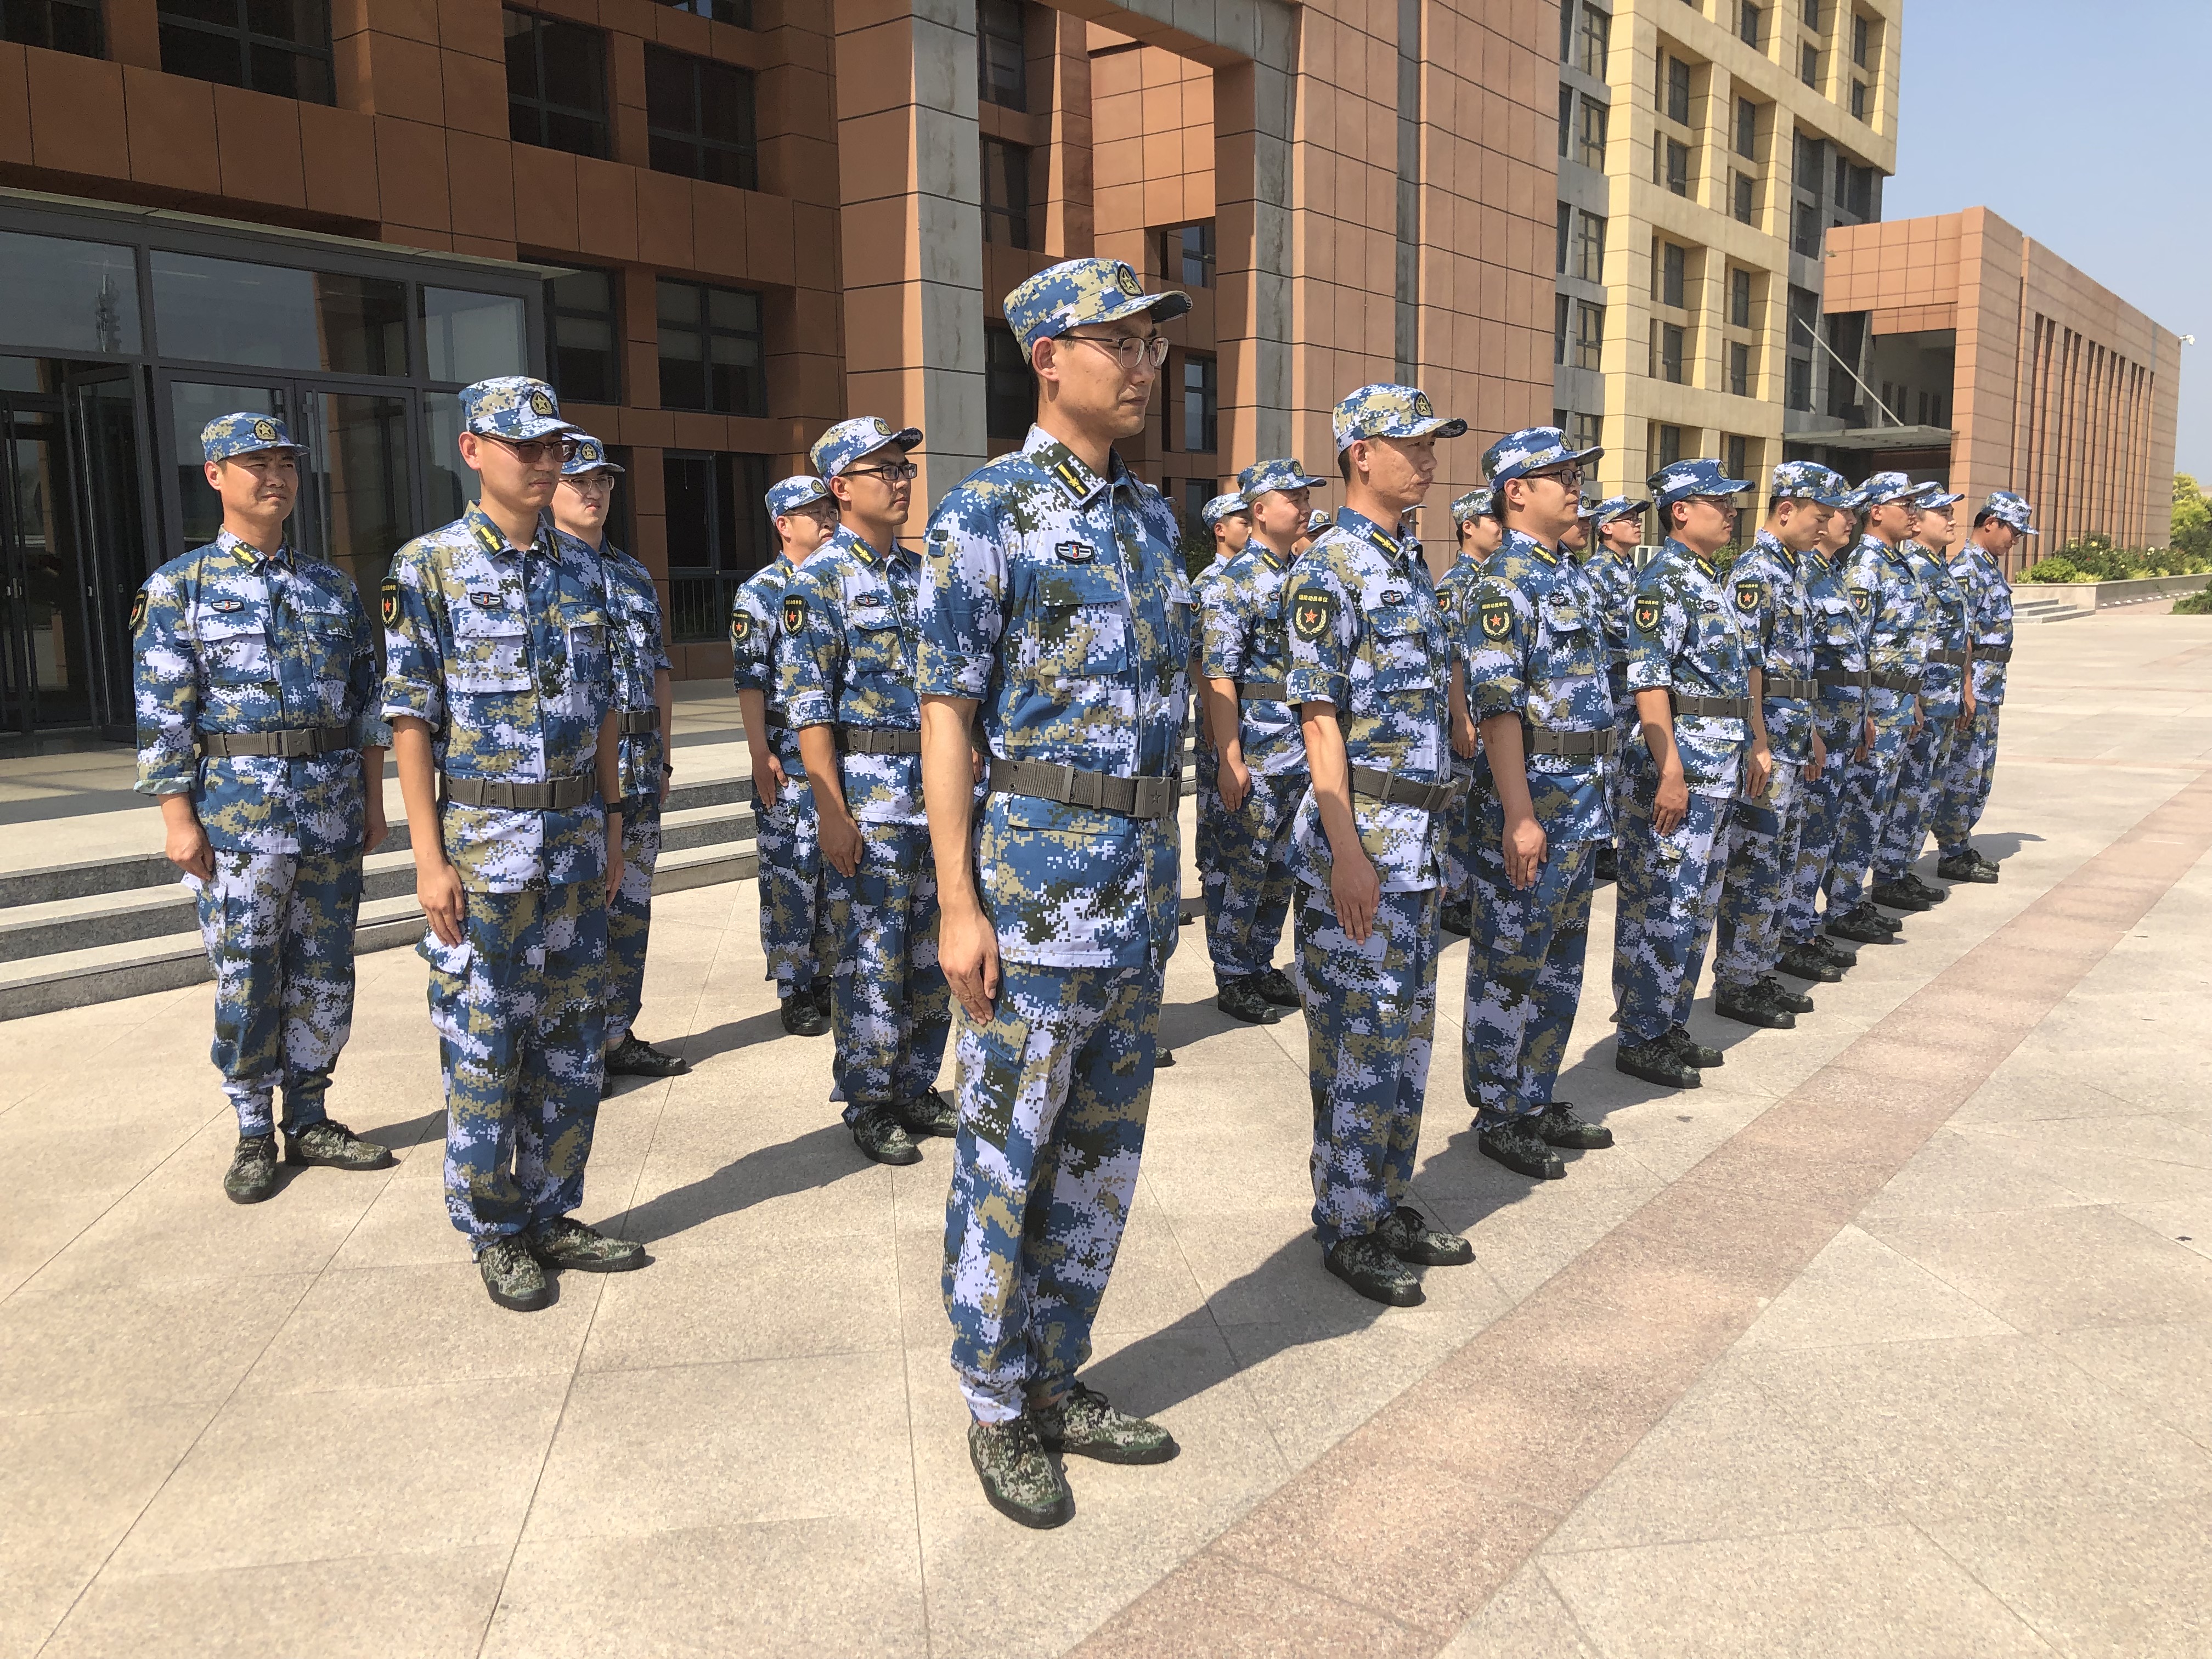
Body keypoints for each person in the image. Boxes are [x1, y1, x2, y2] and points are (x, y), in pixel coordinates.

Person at [918, 257, 1188, 1529]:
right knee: (1006, 1156)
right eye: (1119, 342)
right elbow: (947, 715)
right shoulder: (988, 514)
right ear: (1047, 358)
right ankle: (990, 1397)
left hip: (1134, 900)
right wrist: (957, 904)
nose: (1144, 364)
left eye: (1151, 344)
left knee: (1098, 1160)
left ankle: (1054, 1372)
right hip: (1031, 901)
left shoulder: (1151, 520)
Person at [382, 376, 645, 1312]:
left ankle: (552, 1205)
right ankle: (495, 1225)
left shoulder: (587, 571)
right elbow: (411, 719)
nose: (545, 461)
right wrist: (427, 856)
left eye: (553, 446)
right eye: (524, 445)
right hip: (486, 848)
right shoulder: (430, 568)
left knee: (572, 1040)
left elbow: (609, 709)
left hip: (577, 839)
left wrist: (615, 825)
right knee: (488, 1041)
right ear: (472, 451)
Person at [133, 413, 393, 1204]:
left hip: (330, 810)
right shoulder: (180, 587)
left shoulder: (331, 586)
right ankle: (252, 1128)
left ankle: (309, 1115)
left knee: (324, 969)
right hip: (239, 821)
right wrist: (178, 817)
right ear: (215, 475)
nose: (274, 477)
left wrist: (373, 801)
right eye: (255, 464)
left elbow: (367, 702)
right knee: (248, 975)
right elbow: (163, 713)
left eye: (284, 463)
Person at [1280, 383, 1475, 1307]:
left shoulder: (1407, 559)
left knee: (1403, 1039)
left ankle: (1386, 1194)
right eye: (1412, 443)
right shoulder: (1332, 566)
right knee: (1357, 1041)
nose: (1429, 457)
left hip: (1417, 842)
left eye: (1433, 443)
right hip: (1361, 840)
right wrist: (1344, 847)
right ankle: (1346, 1220)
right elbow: (1319, 719)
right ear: (1361, 452)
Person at [783, 416, 956, 1166]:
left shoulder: (924, 577)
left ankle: (916, 1084)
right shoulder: (818, 583)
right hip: (869, 796)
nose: (901, 480)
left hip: (937, 794)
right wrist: (832, 811)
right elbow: (809, 706)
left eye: (905, 468)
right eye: (883, 469)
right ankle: (869, 1098)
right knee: (871, 958)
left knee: (929, 951)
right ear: (840, 488)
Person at [1459, 427, 1619, 1179]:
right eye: (1561, 474)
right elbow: (1499, 713)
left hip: (1583, 803)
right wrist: (1520, 815)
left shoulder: (1570, 575)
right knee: (1510, 963)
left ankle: (1535, 1091)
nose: (1576, 486)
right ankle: (1498, 1109)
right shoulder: (1503, 585)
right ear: (1516, 491)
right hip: (1538, 804)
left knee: (1559, 965)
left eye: (1578, 474)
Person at [1612, 458, 1768, 1091]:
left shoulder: (1708, 578)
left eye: (1732, 503)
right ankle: (1640, 1034)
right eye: (1718, 502)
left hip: (1718, 763)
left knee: (1697, 904)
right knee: (1664, 902)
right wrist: (1669, 770)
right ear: (1680, 509)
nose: (1731, 512)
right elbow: (1650, 681)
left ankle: (1670, 1020)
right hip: (1684, 768)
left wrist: (1754, 741)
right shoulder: (1663, 582)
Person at [551, 436, 689, 1087]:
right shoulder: (545, 570)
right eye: (578, 481)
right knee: (580, 918)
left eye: (603, 482)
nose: (593, 492)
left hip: (638, 767)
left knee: (630, 909)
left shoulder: (632, 574)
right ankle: (575, 1049)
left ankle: (616, 1032)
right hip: (581, 781)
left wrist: (662, 756)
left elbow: (660, 672)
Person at [1199, 457, 1325, 1024]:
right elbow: (1219, 675)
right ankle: (1232, 974)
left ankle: (1259, 960)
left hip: (1299, 748)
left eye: (1305, 497)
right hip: (1256, 746)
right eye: (1292, 497)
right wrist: (1230, 759)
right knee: (1240, 866)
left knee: (1282, 865)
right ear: (1259, 510)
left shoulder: (1301, 576)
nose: (1303, 506)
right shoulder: (1234, 584)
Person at [1709, 463, 1836, 1031]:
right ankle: (1737, 980)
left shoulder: (1793, 570)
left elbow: (1794, 666)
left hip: (1791, 736)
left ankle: (1758, 969)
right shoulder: (1756, 573)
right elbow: (1745, 667)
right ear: (1786, 511)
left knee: (1779, 861)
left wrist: (1808, 731)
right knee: (1755, 864)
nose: (1824, 527)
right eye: (1818, 516)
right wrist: (1757, 740)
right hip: (1768, 744)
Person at [733, 476, 839, 1036]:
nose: (826, 520)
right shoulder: (762, 592)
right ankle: (794, 986)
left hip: (837, 757)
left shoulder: (836, 581)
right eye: (811, 513)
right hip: (786, 754)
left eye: (829, 509)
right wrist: (759, 752)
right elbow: (750, 681)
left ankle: (825, 975)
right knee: (789, 876)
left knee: (829, 872)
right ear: (783, 524)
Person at [1820, 471, 1928, 945]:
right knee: (1860, 811)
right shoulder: (1865, 568)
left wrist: (1912, 700)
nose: (1915, 513)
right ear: (1877, 511)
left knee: (1874, 808)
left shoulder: (1892, 562)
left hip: (1894, 704)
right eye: (1906, 504)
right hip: (1874, 709)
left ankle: (1849, 900)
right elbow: (1853, 652)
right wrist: (1865, 709)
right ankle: (1842, 904)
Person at [1776, 471, 1872, 984]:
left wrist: (1862, 718)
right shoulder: (1794, 572)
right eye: (1837, 512)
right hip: (1806, 730)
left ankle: (1802, 926)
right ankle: (1792, 931)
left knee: (1817, 833)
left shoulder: (1829, 574)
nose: (1846, 520)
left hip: (1833, 727)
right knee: (1801, 838)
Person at [1872, 483, 1971, 911]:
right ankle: (1890, 873)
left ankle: (1901, 868)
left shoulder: (1931, 567)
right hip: (1917, 697)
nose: (1950, 520)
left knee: (1925, 791)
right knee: (1904, 791)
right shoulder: (1902, 566)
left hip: (1934, 695)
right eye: (1940, 512)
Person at [1933, 491, 2028, 881]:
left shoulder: (1988, 566)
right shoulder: (1968, 570)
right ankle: (1953, 850)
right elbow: (1962, 637)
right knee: (1964, 770)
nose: (2016, 540)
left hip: (1992, 687)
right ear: (1991, 523)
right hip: (1977, 688)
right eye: (2013, 531)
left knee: (1979, 771)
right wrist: (1967, 688)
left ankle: (1960, 843)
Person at [1436, 486, 1502, 936]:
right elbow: (1453, 660)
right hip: (1468, 719)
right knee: (1459, 808)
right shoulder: (1453, 587)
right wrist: (1461, 718)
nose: (1501, 527)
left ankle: (1471, 887)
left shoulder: (1496, 579)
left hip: (1493, 719)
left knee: (1483, 804)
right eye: (1491, 519)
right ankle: (1455, 895)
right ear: (1468, 527)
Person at [1580, 495, 1650, 885]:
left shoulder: (1631, 570)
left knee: (1626, 765)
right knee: (1609, 765)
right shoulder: (1598, 572)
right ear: (1606, 527)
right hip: (1614, 684)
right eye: (1628, 519)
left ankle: (1614, 838)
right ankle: (1604, 846)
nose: (1637, 524)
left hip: (1632, 686)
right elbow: (1608, 632)